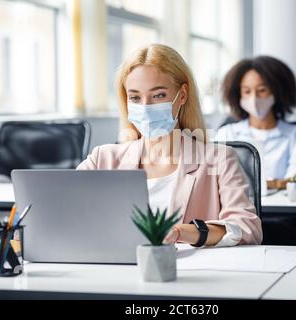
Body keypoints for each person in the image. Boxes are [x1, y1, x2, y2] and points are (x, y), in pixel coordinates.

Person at [77, 44, 262, 247]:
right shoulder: (102, 159)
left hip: (190, 273)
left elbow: (247, 229)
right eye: (135, 97)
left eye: (158, 95)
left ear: (182, 95)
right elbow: (63, 210)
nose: (146, 107)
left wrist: (184, 232)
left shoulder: (219, 159)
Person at [215, 56, 296, 188]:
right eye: (247, 91)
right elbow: (218, 180)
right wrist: (276, 183)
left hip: (282, 207)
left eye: (262, 90)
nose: (254, 98)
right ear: (238, 94)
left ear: (277, 91)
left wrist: (252, 185)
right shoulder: (226, 133)